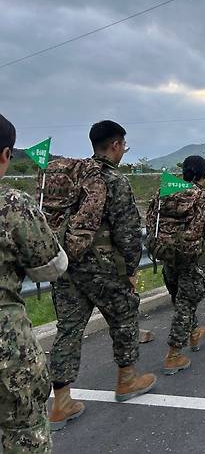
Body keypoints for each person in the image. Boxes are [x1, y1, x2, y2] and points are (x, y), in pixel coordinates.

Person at [48, 120, 156, 430]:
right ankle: (127, 380)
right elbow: (128, 230)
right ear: (116, 145)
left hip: (68, 265)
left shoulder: (73, 175)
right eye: (124, 146)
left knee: (68, 329)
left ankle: (61, 402)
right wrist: (132, 268)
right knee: (124, 317)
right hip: (103, 267)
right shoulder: (113, 180)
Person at [0, 114, 69, 453]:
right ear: (5, 155)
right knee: (24, 434)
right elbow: (50, 266)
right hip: (7, 347)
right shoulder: (12, 204)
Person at [146, 156, 205, 375]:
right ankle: (173, 355)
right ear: (203, 174)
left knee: (180, 300)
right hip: (192, 259)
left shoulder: (162, 193)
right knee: (186, 304)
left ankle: (194, 333)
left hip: (167, 257)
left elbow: (150, 222)